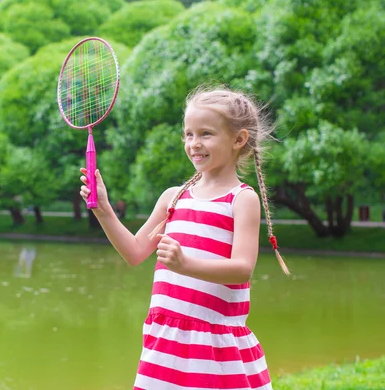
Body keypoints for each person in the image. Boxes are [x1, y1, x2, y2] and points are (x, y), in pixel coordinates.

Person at [79, 86, 289, 390]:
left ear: (238, 139)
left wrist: (185, 263)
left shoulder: (241, 199)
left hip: (214, 346)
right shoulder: (173, 198)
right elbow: (135, 252)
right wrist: (105, 211)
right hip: (167, 342)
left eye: (206, 133)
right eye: (188, 134)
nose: (194, 144)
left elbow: (243, 268)